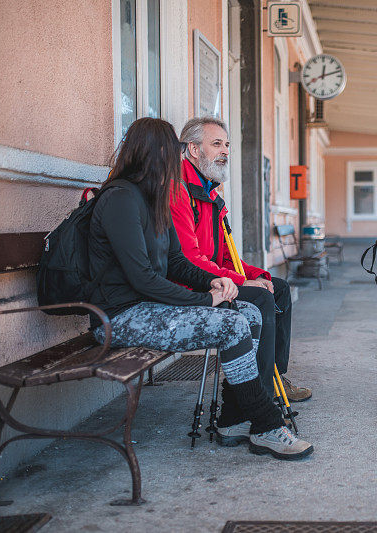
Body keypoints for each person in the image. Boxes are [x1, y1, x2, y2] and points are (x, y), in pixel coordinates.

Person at [88, 117, 312, 459]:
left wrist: (214, 280)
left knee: (251, 311)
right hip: (119, 316)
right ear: (149, 155)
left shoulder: (151, 199)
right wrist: (205, 298)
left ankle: (233, 418)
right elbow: (142, 278)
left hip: (150, 305)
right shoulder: (120, 199)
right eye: (170, 153)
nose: (175, 163)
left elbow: (177, 261)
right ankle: (266, 424)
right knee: (235, 322)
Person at [171, 116, 311, 402]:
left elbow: (225, 254)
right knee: (260, 298)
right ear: (194, 150)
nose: (225, 151)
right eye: (216, 144)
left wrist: (258, 275)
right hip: (189, 284)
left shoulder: (210, 193)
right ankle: (258, 392)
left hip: (213, 278)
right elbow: (187, 259)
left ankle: (273, 376)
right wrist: (241, 281)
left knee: (278, 287)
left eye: (227, 144)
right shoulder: (180, 190)